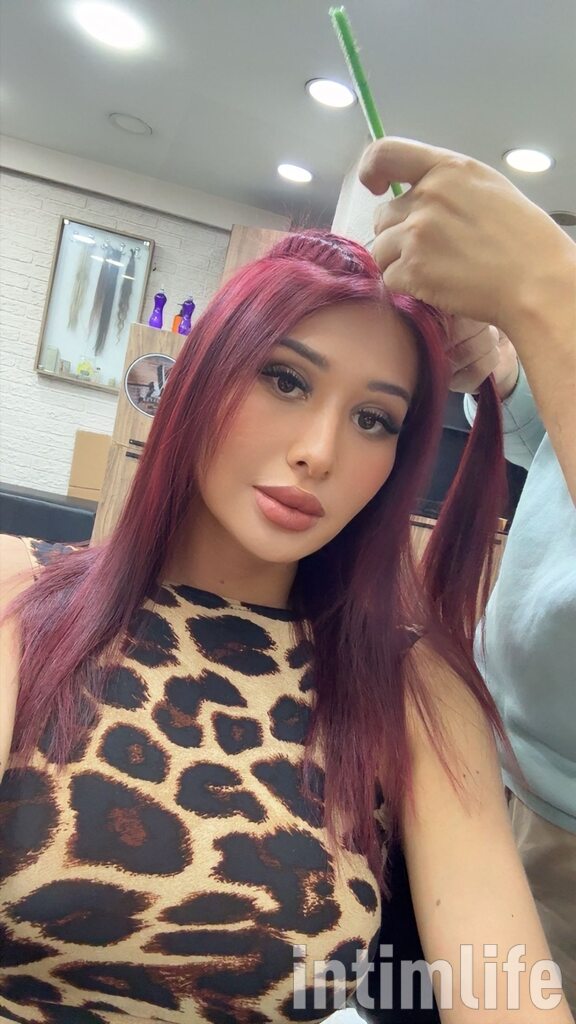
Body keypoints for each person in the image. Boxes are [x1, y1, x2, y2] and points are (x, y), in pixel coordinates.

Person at [0, 228, 572, 1024]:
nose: (318, 452)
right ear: (204, 375)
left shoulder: (412, 689)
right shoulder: (20, 592)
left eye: (374, 419)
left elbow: (505, 993)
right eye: (285, 379)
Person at [359, 137, 575, 1018]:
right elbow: (547, 444)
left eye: (372, 417)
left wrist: (545, 291)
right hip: (494, 758)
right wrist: (511, 365)